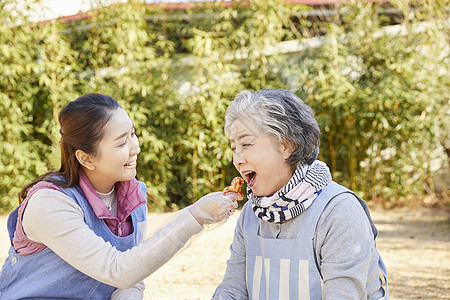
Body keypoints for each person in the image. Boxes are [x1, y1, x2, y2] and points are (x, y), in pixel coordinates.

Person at [0, 93, 239, 299]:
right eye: (121, 142)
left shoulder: (132, 196)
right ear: (86, 158)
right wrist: (196, 215)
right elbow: (119, 270)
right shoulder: (50, 204)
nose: (136, 148)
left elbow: (132, 277)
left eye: (132, 134)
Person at [212, 89, 389, 299]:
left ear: (285, 145)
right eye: (234, 148)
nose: (237, 159)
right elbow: (232, 290)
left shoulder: (339, 211)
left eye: (246, 144)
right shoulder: (251, 213)